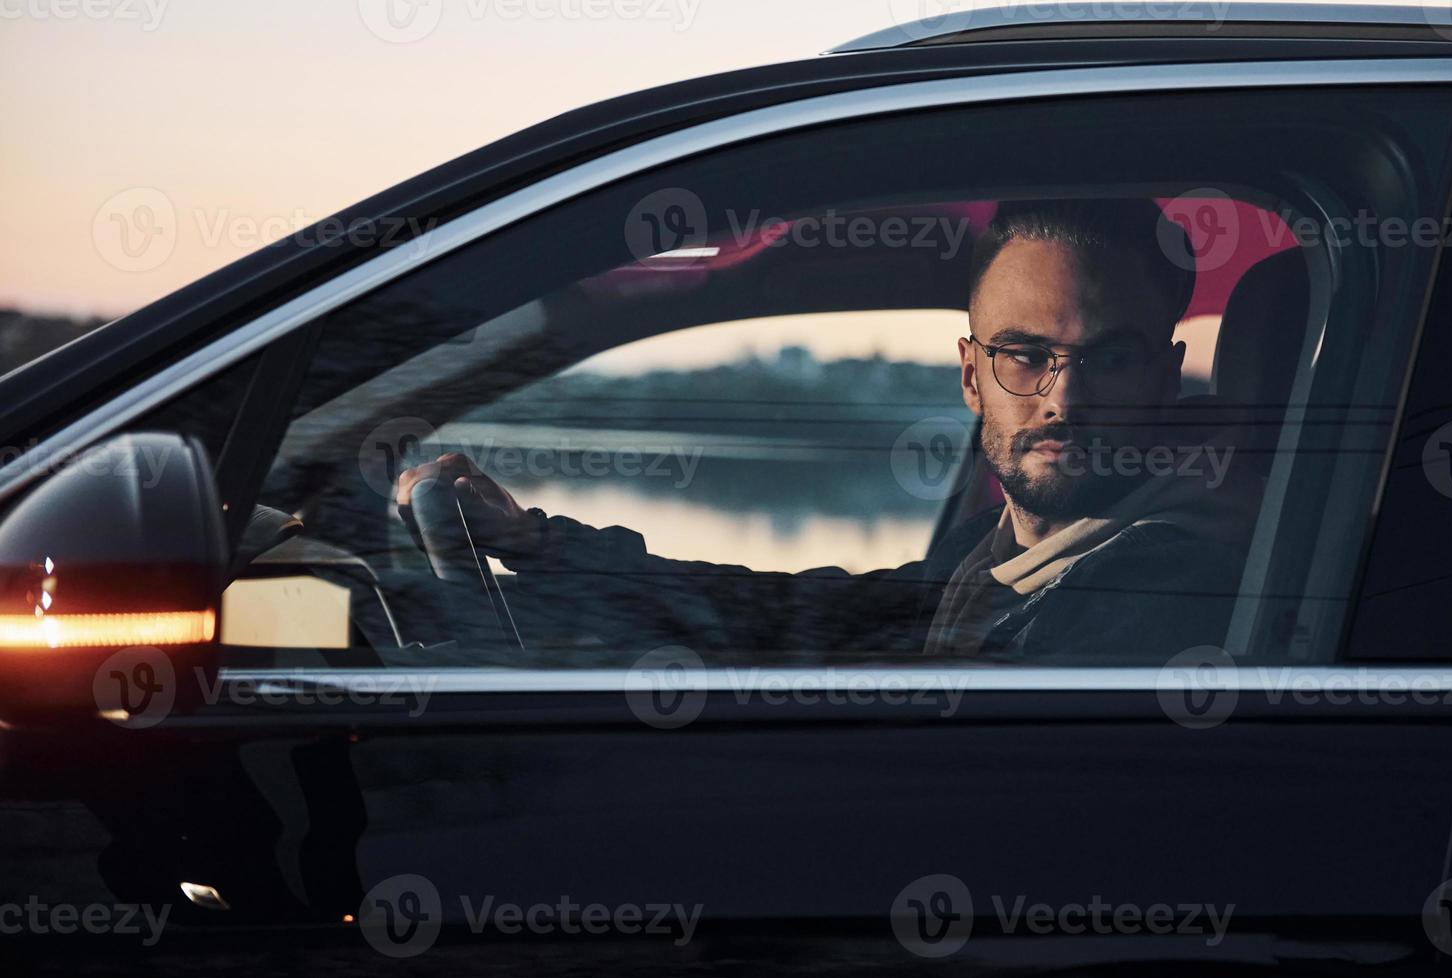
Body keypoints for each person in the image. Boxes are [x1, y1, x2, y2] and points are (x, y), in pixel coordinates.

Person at [397, 199, 1259, 664]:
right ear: (969, 376)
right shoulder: (998, 557)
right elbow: (796, 616)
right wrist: (540, 544)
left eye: (1108, 360)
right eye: (1024, 357)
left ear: (1162, 372)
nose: (1063, 401)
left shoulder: (1156, 581)